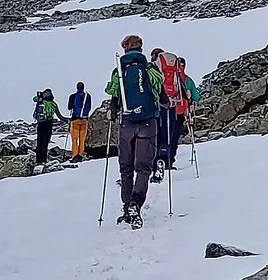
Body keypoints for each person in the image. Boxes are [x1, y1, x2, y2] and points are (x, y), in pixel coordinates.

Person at [103, 34, 164, 227]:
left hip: (126, 123)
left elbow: (114, 97)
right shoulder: (150, 69)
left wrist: (112, 112)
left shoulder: (119, 70)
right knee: (143, 168)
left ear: (125, 49)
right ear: (141, 48)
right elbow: (161, 96)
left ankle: (126, 205)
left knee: (126, 167)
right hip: (147, 122)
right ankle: (135, 204)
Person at [151, 49, 199, 180]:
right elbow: (195, 96)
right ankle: (169, 161)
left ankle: (156, 161)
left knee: (159, 135)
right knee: (173, 136)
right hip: (179, 109)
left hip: (161, 108)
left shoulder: (155, 71)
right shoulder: (185, 78)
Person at [31, 87, 58, 172]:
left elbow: (34, 99)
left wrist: (40, 96)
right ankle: (43, 160)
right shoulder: (53, 104)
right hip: (48, 124)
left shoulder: (40, 101)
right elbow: (59, 115)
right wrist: (67, 120)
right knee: (45, 143)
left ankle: (37, 160)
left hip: (40, 124)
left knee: (39, 141)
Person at [67, 81, 93, 160]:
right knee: (82, 139)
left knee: (75, 139)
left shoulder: (73, 96)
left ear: (77, 87)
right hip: (84, 120)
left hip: (75, 120)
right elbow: (89, 107)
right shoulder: (88, 96)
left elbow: (69, 107)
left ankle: (75, 155)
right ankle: (80, 155)